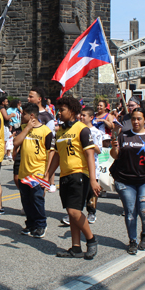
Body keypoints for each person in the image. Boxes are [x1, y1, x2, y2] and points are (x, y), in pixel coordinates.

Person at [44, 96, 101, 259]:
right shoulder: (60, 131)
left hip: (79, 174)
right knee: (71, 213)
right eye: (58, 110)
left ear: (73, 111)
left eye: (62, 110)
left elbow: (90, 154)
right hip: (65, 176)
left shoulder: (82, 129)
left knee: (74, 211)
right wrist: (48, 175)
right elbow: (56, 155)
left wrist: (92, 180)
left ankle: (91, 240)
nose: (59, 113)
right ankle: (75, 247)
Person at [110, 108, 145, 255]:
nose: (136, 121)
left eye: (139, 119)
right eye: (133, 118)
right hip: (125, 181)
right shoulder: (123, 136)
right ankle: (132, 240)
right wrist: (114, 147)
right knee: (130, 212)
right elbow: (114, 156)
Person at [13, 103, 54, 238]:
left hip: (38, 172)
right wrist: (27, 128)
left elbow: (51, 153)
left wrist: (47, 174)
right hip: (24, 171)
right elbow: (16, 142)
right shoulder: (23, 128)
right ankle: (30, 224)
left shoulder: (46, 131)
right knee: (26, 200)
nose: (21, 116)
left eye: (23, 113)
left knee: (37, 199)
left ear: (31, 115)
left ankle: (41, 224)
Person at [27, 87, 56, 192]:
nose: (28, 99)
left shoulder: (47, 117)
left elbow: (50, 142)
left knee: (38, 190)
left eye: (31, 97)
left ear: (39, 99)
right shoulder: (27, 114)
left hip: (40, 159)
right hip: (26, 160)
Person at [81, 107, 103, 224]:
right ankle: (75, 212)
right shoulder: (78, 130)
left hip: (92, 165)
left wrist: (89, 141)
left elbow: (99, 150)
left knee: (91, 192)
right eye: (81, 115)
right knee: (79, 191)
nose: (81, 117)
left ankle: (92, 212)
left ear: (91, 118)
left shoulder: (96, 132)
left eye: (84, 115)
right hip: (80, 165)